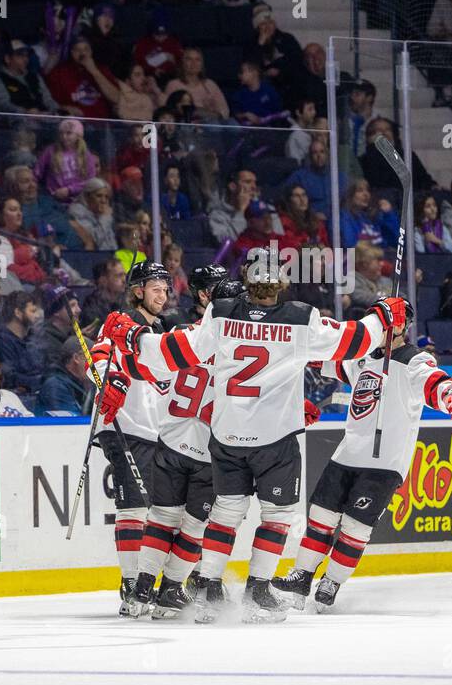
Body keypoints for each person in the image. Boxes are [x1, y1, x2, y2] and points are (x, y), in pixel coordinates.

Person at [100, 266, 406, 623]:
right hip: (273, 436)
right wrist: (382, 315)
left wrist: (135, 339)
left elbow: (170, 354)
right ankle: (258, 591)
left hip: (225, 437)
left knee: (220, 514)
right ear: (281, 284)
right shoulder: (300, 317)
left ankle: (205, 587)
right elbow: (353, 341)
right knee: (276, 517)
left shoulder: (220, 315)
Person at [272, 300, 452, 611]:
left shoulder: (414, 360)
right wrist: (300, 349)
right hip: (348, 453)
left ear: (401, 327)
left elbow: (435, 383)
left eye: (384, 322)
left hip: (385, 463)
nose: (376, 326)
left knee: (355, 528)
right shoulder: (362, 357)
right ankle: (301, 576)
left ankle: (332, 582)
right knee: (320, 519)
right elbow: (330, 363)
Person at [131, 276, 246, 617]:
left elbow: (146, 368)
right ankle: (169, 590)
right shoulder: (239, 350)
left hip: (169, 441)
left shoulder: (183, 335)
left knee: (160, 517)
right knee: (194, 526)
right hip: (207, 453)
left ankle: (141, 587)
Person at [86, 261, 173, 615]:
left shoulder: (160, 332)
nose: (162, 294)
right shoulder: (119, 325)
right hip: (125, 425)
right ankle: (131, 585)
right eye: (155, 287)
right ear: (137, 290)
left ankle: (148, 583)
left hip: (156, 430)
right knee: (135, 508)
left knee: (160, 511)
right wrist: (110, 381)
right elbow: (98, 361)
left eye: (166, 289)